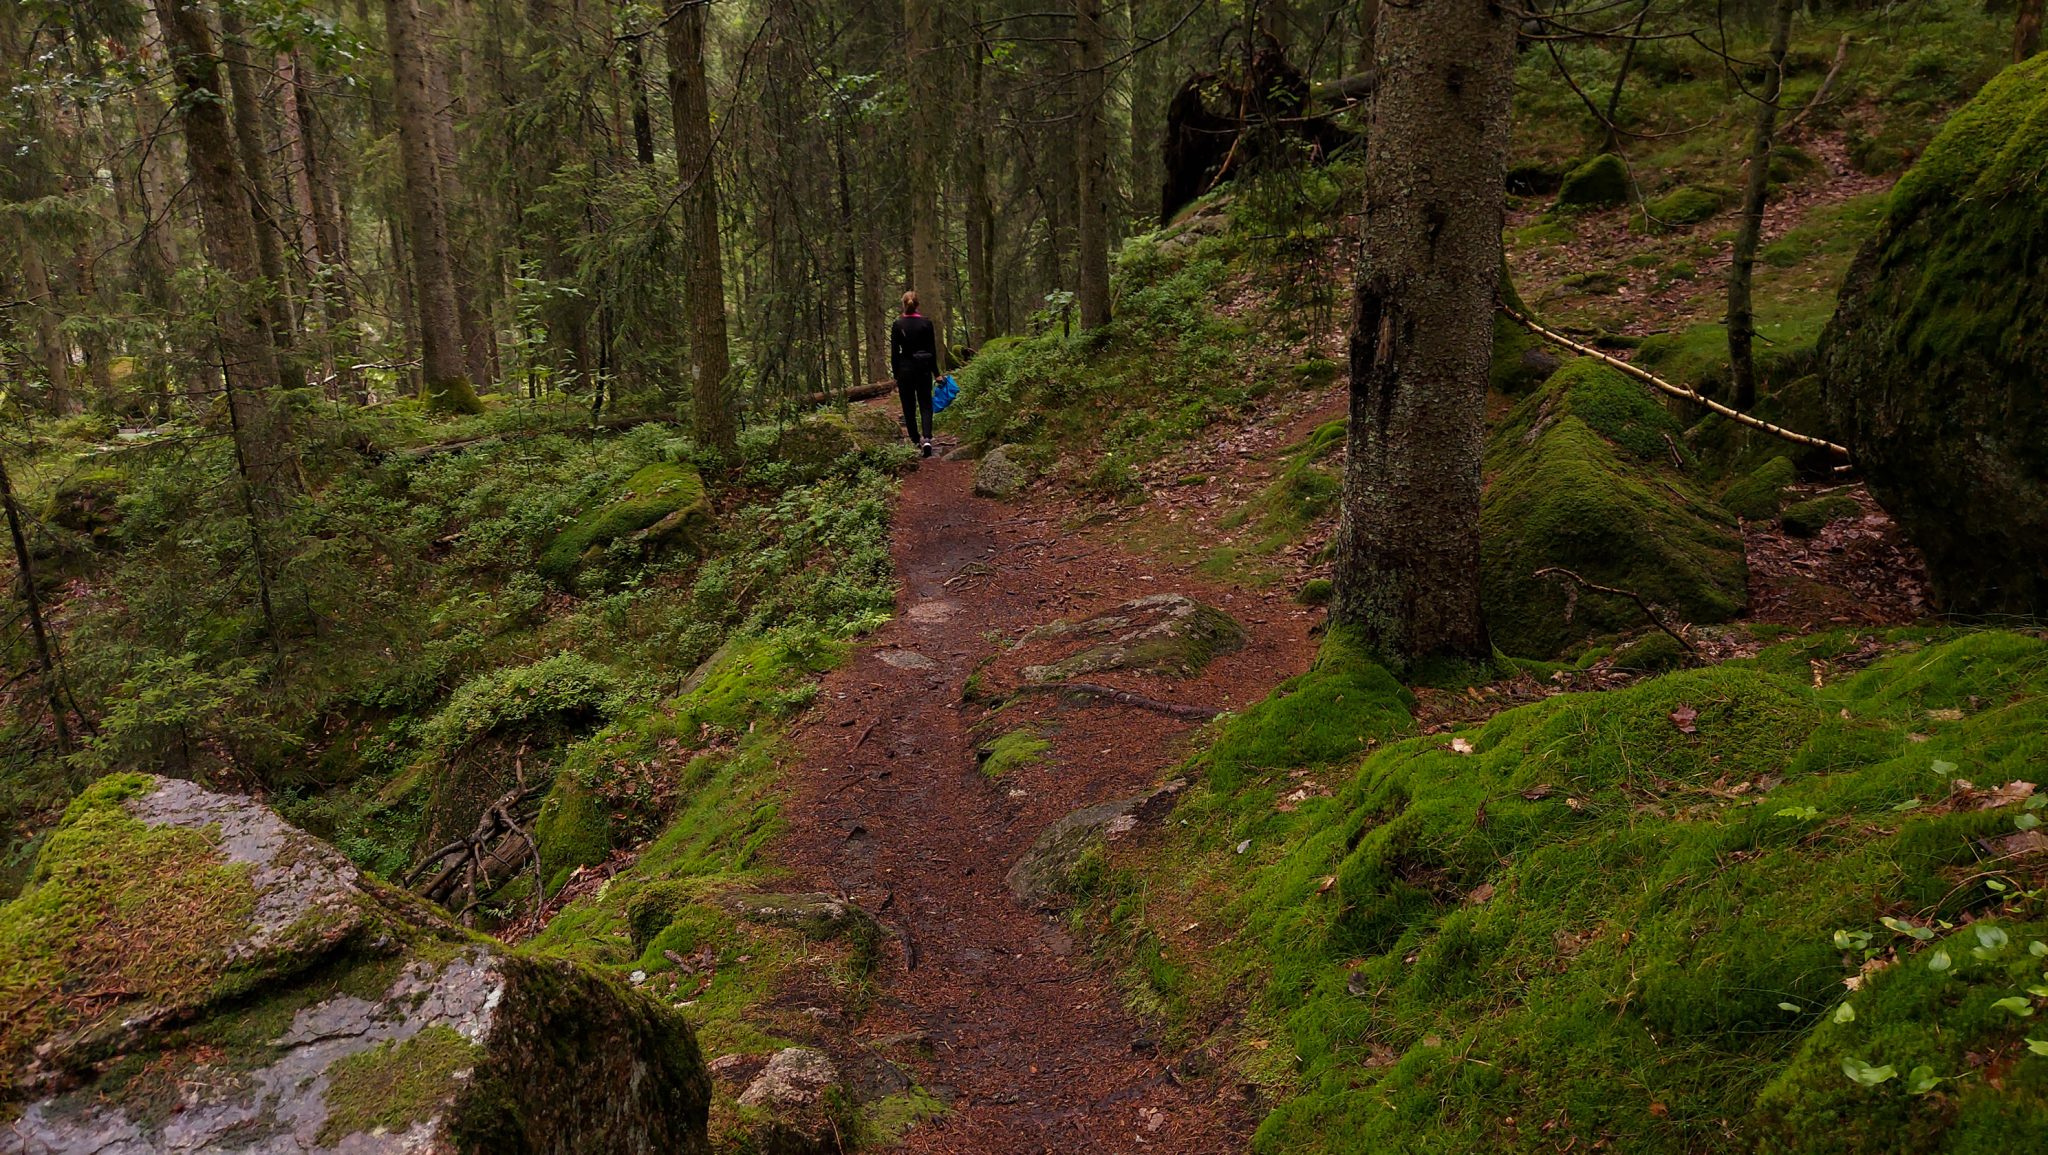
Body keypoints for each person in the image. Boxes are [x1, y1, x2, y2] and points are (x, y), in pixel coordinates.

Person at [890, 291, 938, 457]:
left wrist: (896, 375)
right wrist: (936, 373)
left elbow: (894, 353)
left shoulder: (898, 324)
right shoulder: (926, 323)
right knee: (925, 404)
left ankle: (915, 439)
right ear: (917, 304)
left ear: (904, 304)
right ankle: (927, 438)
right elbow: (932, 350)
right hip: (923, 368)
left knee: (908, 405)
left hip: (905, 369)